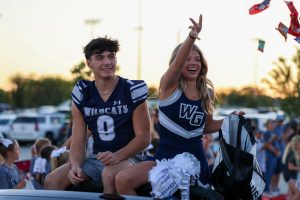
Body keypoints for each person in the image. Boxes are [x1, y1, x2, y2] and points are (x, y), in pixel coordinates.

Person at [115, 14, 240, 196]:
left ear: (202, 64)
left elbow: (206, 126)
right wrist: (192, 37)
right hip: (164, 159)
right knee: (122, 179)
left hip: (194, 162)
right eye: (187, 59)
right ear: (178, 62)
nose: (193, 63)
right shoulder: (169, 87)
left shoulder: (207, 93)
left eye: (197, 59)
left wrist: (231, 120)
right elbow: (175, 67)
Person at [44, 36, 151, 194]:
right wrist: (74, 166)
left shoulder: (131, 90)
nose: (107, 62)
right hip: (97, 158)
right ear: (89, 63)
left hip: (128, 157)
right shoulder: (83, 93)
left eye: (111, 56)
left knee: (109, 175)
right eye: (100, 57)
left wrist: (118, 155)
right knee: (51, 180)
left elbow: (144, 137)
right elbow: (78, 141)